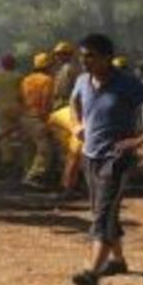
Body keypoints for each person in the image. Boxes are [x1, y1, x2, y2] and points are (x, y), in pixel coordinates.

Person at [70, 34, 143, 285]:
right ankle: (118, 261)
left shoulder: (128, 83)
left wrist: (141, 139)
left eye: (90, 56)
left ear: (107, 57)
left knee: (103, 215)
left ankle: (92, 273)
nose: (84, 61)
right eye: (82, 56)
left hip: (117, 158)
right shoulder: (82, 81)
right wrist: (77, 124)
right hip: (90, 156)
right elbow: (74, 102)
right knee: (101, 211)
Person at [49, 41, 84, 199]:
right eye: (58, 54)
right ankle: (69, 185)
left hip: (60, 112)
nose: (58, 57)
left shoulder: (62, 70)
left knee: (70, 151)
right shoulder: (72, 69)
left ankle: (69, 183)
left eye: (60, 54)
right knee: (75, 150)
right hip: (68, 112)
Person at [20, 52, 55, 189]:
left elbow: (21, 98)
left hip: (25, 117)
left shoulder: (26, 79)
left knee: (28, 148)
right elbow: (46, 101)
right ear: (47, 66)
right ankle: (34, 176)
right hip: (38, 118)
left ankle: (26, 173)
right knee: (45, 149)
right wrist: (46, 120)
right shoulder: (47, 80)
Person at [0, 54, 25, 177]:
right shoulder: (18, 76)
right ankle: (22, 159)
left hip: (1, 108)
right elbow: (22, 94)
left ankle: (7, 159)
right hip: (16, 107)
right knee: (22, 133)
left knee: (5, 135)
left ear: (2, 64)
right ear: (13, 64)